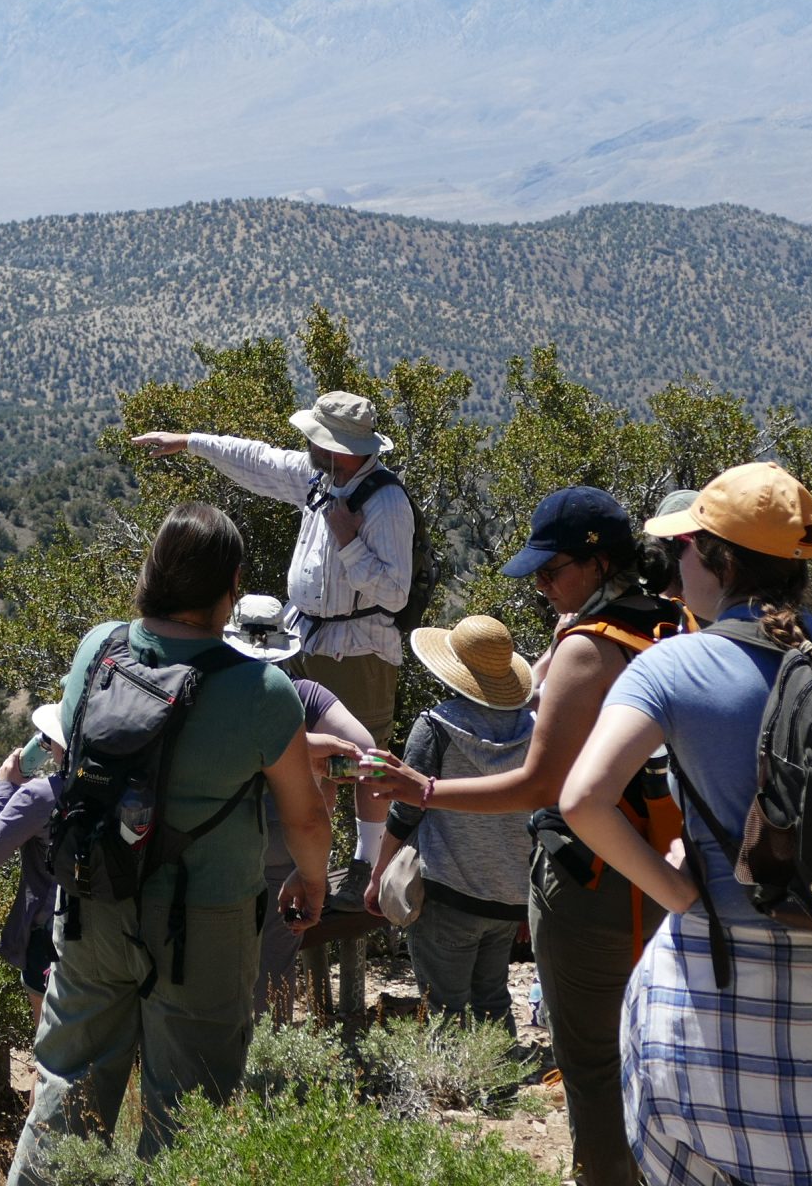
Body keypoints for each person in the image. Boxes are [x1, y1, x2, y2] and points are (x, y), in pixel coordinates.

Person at [560, 462, 812, 1186]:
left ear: (718, 559)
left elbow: (581, 800)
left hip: (718, 988)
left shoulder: (673, 668)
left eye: (685, 549)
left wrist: (676, 892)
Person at [364, 486, 684, 1186]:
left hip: (595, 882)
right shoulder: (676, 620)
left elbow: (542, 785)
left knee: (592, 1062)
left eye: (551, 570)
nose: (542, 586)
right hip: (677, 870)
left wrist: (422, 790)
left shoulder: (588, 650)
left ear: (598, 565)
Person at [8, 504, 332, 1185]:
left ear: (151, 572)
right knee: (189, 1103)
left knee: (67, 1082)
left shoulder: (97, 649)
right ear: (232, 585)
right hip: (204, 922)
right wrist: (310, 881)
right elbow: (304, 818)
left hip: (93, 898)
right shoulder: (263, 690)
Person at [132, 391, 415, 746]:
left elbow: (395, 593)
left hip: (356, 654)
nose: (309, 444)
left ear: (340, 447)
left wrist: (349, 542)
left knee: (364, 759)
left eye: (317, 438)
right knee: (311, 756)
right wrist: (190, 442)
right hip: (304, 641)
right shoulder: (320, 476)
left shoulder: (387, 504)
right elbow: (259, 461)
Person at [219, 593, 384, 1017]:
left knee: (215, 976)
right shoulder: (304, 696)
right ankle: (269, 1073)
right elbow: (368, 759)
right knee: (274, 978)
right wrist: (316, 758)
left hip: (215, 855)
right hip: (286, 861)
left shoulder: (214, 690)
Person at [368, 614, 535, 1028]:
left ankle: (450, 1092)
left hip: (447, 892)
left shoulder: (437, 726)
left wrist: (377, 876)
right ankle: (503, 1087)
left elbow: (406, 808)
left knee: (443, 1008)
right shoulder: (536, 730)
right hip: (509, 896)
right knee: (494, 996)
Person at [0, 700, 68, 995]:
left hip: (53, 940)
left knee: (49, 1037)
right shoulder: (124, 785)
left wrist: (3, 789)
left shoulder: (40, 796)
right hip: (116, 937)